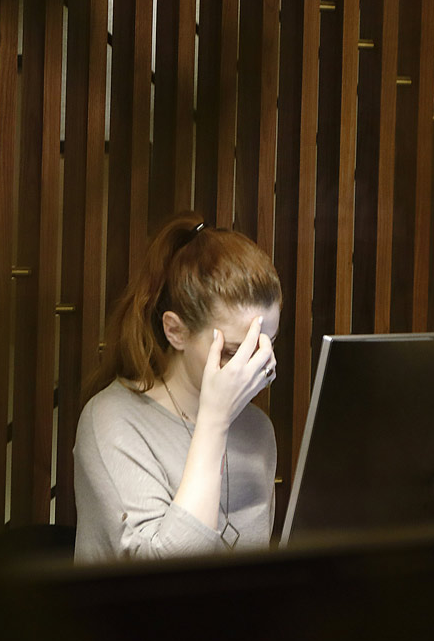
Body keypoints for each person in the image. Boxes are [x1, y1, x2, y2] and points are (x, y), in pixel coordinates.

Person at [73, 212, 281, 563]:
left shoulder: (257, 429)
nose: (255, 366)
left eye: (266, 345)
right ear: (176, 331)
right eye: (233, 351)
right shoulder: (110, 420)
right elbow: (164, 581)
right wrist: (214, 423)